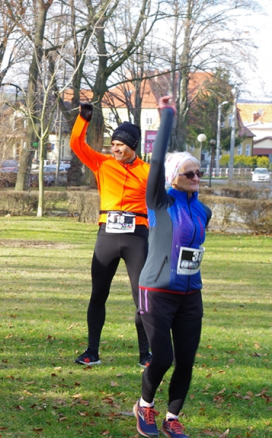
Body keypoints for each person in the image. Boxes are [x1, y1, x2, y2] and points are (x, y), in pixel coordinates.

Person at [133, 96, 211, 438]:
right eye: (189, 172)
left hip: (191, 293)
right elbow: (155, 160)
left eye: (199, 172)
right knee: (162, 356)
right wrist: (167, 117)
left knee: (187, 360)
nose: (196, 176)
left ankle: (171, 416)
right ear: (173, 176)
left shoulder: (203, 210)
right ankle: (145, 406)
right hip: (157, 290)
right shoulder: (159, 201)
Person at [70, 102, 152, 367]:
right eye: (113, 143)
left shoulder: (147, 171)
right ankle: (92, 351)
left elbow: (163, 203)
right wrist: (83, 119)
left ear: (133, 146)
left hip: (136, 238)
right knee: (98, 294)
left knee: (142, 296)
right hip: (106, 236)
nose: (115, 148)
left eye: (120, 144)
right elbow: (76, 145)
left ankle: (146, 354)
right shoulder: (102, 163)